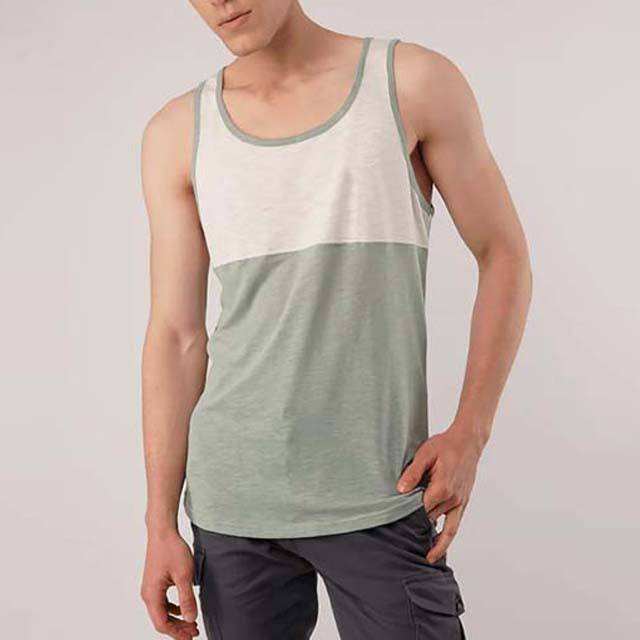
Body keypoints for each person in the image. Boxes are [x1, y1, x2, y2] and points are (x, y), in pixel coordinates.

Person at [139, 1, 532, 638]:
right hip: (233, 505)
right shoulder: (178, 132)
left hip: (381, 490)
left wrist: (471, 432)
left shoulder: (410, 83)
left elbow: (503, 254)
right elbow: (176, 336)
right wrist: (159, 522)